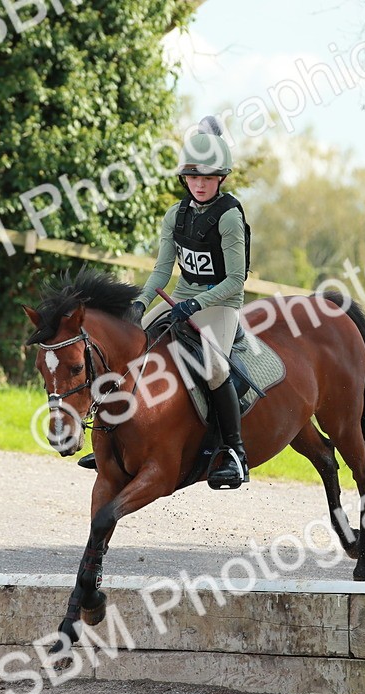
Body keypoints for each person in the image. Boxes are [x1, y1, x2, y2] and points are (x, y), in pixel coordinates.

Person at [80, 115, 250, 489]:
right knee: (127, 345)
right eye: (193, 178)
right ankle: (110, 438)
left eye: (207, 178)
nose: (200, 185)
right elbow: (161, 271)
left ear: (221, 178)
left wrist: (197, 303)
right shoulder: (176, 214)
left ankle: (234, 452)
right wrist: (140, 303)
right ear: (184, 179)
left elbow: (235, 279)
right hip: (182, 296)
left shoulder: (230, 216)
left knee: (216, 369)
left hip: (221, 303)